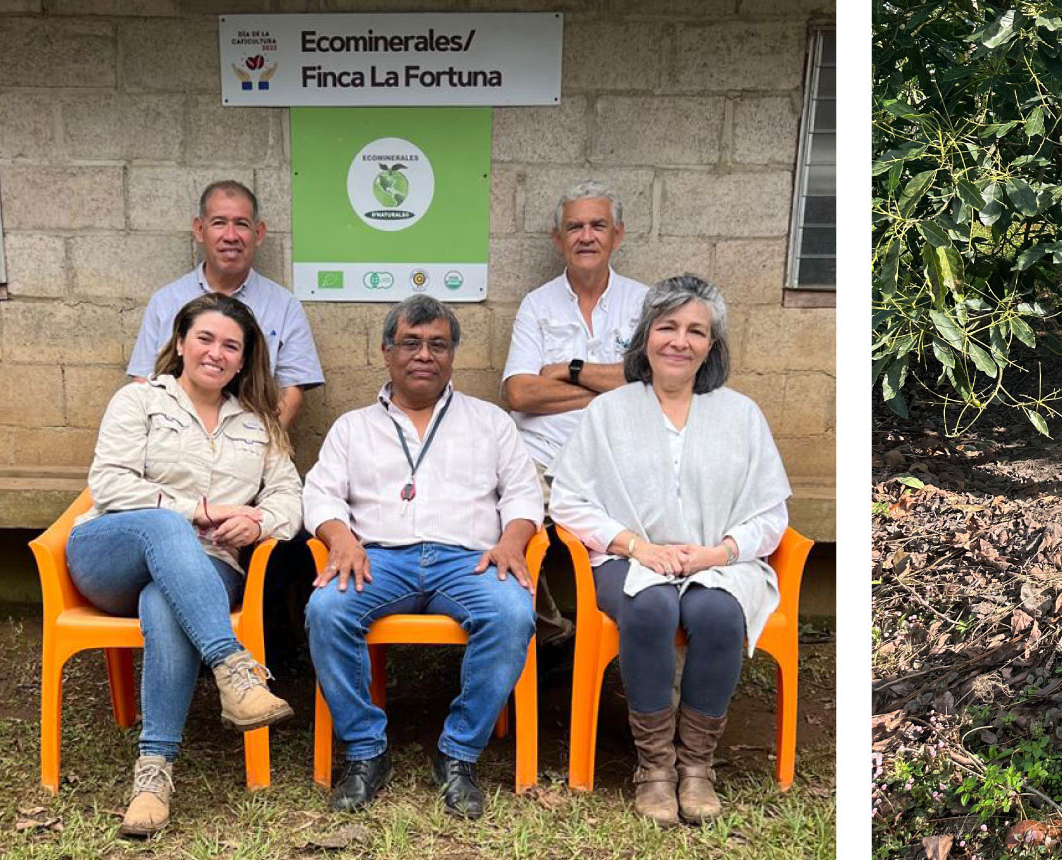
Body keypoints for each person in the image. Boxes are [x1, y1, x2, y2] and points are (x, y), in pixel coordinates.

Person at [549, 275, 791, 827]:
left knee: (717, 612)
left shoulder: (741, 414)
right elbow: (568, 500)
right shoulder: (609, 412)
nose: (679, 341)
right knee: (652, 605)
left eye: (695, 331)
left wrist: (719, 553)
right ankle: (655, 767)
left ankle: (697, 765)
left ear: (712, 345)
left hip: (718, 561)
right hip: (628, 558)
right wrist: (638, 547)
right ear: (645, 337)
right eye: (667, 327)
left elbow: (771, 515)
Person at [69, 293, 301, 837]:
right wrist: (197, 510)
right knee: (169, 527)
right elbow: (109, 484)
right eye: (204, 338)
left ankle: (152, 776)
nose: (215, 353)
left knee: (163, 601)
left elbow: (291, 495)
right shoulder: (140, 401)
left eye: (230, 346)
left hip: (206, 567)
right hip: (111, 555)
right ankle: (232, 669)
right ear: (180, 343)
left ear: (244, 361)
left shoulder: (259, 423)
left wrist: (260, 522)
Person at [304, 295, 543, 819]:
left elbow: (524, 495)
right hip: (377, 559)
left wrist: (512, 540)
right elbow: (320, 494)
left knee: (511, 613)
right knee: (326, 612)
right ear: (387, 352)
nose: (424, 355)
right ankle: (367, 754)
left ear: (452, 355)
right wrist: (339, 539)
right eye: (410, 343)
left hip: (470, 559)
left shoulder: (491, 422)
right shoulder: (353, 426)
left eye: (438, 344)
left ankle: (458, 755)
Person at [501, 180, 649, 654]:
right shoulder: (537, 305)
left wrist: (570, 371)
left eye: (597, 225)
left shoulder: (646, 303)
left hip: (619, 456)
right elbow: (519, 392)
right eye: (575, 226)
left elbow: (653, 385)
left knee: (649, 536)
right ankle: (547, 633)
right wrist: (611, 387)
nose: (586, 236)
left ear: (618, 235)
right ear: (558, 239)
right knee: (505, 524)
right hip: (540, 455)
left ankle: (629, 645)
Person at [127, 180, 324, 429]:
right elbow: (143, 382)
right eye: (219, 223)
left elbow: (291, 392)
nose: (230, 236)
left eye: (241, 224)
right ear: (199, 230)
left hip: (251, 446)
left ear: (258, 233)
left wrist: (257, 445)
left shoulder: (284, 306)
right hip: (172, 447)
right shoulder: (166, 302)